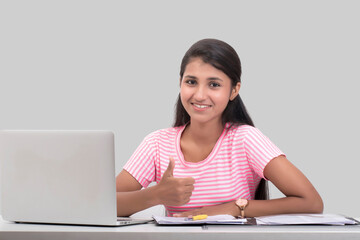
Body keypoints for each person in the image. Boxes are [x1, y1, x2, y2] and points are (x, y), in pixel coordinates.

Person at [116, 38, 323, 218]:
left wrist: (233, 208)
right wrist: (155, 195)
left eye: (214, 84)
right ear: (180, 83)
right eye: (191, 82)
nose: (199, 95)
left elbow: (311, 202)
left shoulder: (246, 140)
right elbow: (102, 204)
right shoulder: (157, 144)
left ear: (234, 90)